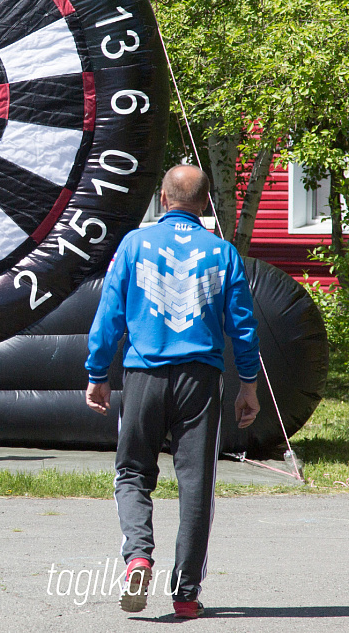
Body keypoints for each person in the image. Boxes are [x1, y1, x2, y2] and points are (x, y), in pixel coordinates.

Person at [84, 165, 260, 619]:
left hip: (144, 374)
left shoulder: (133, 244)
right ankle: (185, 593)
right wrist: (248, 385)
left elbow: (110, 316)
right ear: (205, 204)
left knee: (133, 473)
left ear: (163, 198)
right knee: (196, 486)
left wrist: (97, 373)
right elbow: (241, 326)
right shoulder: (223, 252)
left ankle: (138, 556)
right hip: (200, 380)